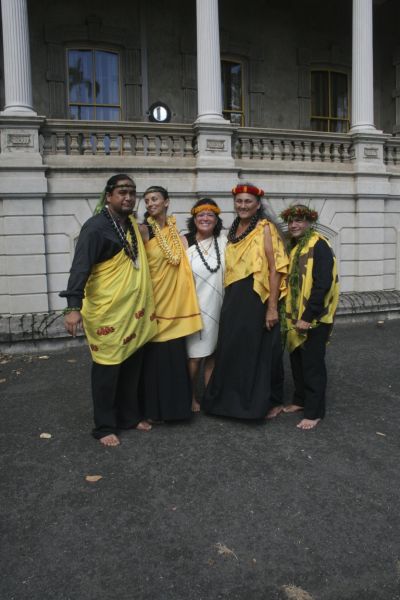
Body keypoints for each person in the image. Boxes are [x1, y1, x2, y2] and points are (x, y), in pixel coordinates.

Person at [60, 174, 157, 447]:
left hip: (133, 312)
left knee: (132, 368)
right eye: (122, 192)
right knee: (108, 371)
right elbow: (80, 267)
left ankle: (129, 417)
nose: (128, 197)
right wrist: (73, 307)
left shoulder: (131, 225)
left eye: (132, 192)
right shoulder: (95, 228)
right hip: (108, 314)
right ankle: (104, 426)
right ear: (109, 195)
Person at [203, 183, 289, 420]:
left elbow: (276, 269)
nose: (242, 205)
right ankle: (229, 402)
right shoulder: (234, 229)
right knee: (232, 347)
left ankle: (260, 403)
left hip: (255, 297)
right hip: (233, 295)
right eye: (239, 201)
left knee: (257, 350)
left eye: (248, 201)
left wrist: (272, 307)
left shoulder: (265, 229)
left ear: (258, 204)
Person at [139, 186, 202, 421]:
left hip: (176, 304)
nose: (150, 203)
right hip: (155, 301)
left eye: (154, 199)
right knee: (155, 358)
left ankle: (177, 410)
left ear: (166, 202)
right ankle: (153, 411)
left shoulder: (176, 232)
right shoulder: (143, 230)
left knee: (175, 355)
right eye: (147, 200)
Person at [280, 204, 339, 430]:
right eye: (291, 221)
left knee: (312, 364)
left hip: (314, 317)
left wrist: (308, 315)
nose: (294, 225)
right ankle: (300, 400)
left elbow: (323, 284)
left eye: (299, 221)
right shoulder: (296, 246)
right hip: (295, 316)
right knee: (297, 360)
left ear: (309, 222)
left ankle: (314, 412)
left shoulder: (319, 245)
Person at [181, 198, 227, 412]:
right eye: (201, 215)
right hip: (195, 306)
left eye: (210, 215)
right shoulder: (185, 242)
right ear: (194, 219)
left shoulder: (224, 241)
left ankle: (210, 397)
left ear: (216, 220)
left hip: (220, 305)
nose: (205, 218)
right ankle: (188, 396)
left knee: (213, 355)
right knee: (195, 356)